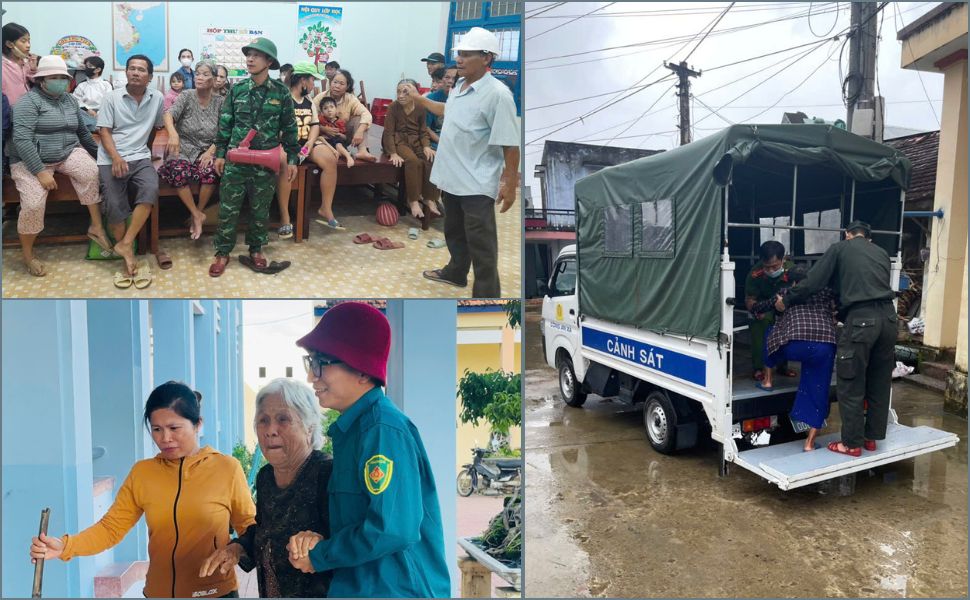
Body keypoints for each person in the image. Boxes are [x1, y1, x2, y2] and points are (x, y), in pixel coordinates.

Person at [29, 381, 256, 598]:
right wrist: (65, 546)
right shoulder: (143, 473)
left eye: (174, 428)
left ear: (198, 424)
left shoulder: (226, 469)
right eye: (156, 429)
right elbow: (110, 529)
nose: (165, 438)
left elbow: (250, 527)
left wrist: (237, 549)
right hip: (158, 593)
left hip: (214, 593)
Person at [286, 302, 451, 598]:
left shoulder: (382, 430)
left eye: (321, 362)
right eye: (311, 362)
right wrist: (314, 543)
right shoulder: (354, 431)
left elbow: (392, 529)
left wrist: (321, 555)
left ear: (362, 372)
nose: (312, 376)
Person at [410, 27, 519, 297]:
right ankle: (456, 272)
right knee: (455, 233)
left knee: (482, 244)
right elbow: (448, 111)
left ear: (486, 58)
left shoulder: (498, 95)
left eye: (467, 54)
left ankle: (486, 294)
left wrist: (510, 183)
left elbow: (510, 143)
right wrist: (418, 99)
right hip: (451, 177)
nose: (459, 59)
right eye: (459, 53)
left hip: (476, 183)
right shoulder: (458, 86)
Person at [200, 378, 333, 598]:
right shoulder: (266, 477)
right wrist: (238, 547)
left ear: (309, 427)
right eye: (263, 420)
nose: (271, 430)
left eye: (283, 419)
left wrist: (319, 543)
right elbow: (264, 531)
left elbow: (350, 540)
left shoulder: (327, 473)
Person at [776, 221, 897, 457]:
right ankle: (871, 438)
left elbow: (813, 281)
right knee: (879, 381)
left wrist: (787, 300)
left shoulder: (841, 248)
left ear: (847, 235)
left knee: (851, 382)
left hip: (862, 321)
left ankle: (851, 444)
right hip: (890, 320)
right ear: (869, 238)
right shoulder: (881, 252)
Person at [9, 55, 110, 277]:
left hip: (65, 152)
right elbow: (22, 140)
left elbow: (83, 133)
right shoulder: (27, 103)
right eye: (53, 77)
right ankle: (27, 254)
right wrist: (40, 172)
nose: (60, 82)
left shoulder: (70, 100)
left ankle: (96, 227)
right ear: (41, 80)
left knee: (91, 172)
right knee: (34, 203)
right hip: (30, 159)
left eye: (63, 78)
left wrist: (103, 158)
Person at [211, 37, 299, 277]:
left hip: (265, 160)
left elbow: (290, 128)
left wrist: (292, 159)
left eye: (257, 55)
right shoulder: (237, 90)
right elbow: (225, 124)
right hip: (236, 160)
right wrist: (220, 154)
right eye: (248, 54)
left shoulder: (281, 92)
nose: (250, 59)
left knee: (260, 209)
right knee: (228, 208)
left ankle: (256, 250)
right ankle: (222, 252)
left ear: (269, 61)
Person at [752, 265, 838, 451]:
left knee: (770, 335)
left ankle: (767, 380)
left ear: (792, 281)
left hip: (795, 345)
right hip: (824, 345)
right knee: (818, 390)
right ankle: (809, 443)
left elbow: (761, 306)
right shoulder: (826, 292)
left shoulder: (786, 292)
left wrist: (754, 309)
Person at [97, 54, 165, 284]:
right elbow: (104, 131)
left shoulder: (157, 97)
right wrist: (116, 157)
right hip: (111, 157)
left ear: (150, 76)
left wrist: (146, 150)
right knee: (115, 205)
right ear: (126, 72)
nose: (136, 73)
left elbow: (156, 127)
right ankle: (127, 253)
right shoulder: (111, 98)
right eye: (132, 69)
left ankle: (125, 244)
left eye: (141, 70)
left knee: (150, 188)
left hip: (140, 156)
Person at [160, 60, 224, 240]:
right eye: (198, 73)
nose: (200, 77)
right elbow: (168, 115)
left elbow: (224, 130)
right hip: (183, 146)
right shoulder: (186, 96)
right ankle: (196, 214)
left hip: (207, 148)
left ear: (213, 79)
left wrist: (211, 151)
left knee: (211, 171)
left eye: (205, 74)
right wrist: (173, 134)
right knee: (177, 170)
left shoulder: (220, 102)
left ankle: (199, 212)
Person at [276, 61, 340, 237]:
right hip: (287, 144)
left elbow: (315, 125)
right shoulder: (284, 99)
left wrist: (310, 144)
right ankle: (285, 217)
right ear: (303, 80)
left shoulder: (309, 102)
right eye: (313, 80)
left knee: (329, 159)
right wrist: (293, 151)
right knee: (284, 163)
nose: (314, 85)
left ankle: (325, 208)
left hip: (306, 143)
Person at [383, 79, 438, 220]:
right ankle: (413, 200)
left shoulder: (420, 107)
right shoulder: (393, 107)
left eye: (405, 92)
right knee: (413, 161)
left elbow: (423, 131)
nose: (400, 95)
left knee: (431, 159)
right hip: (398, 141)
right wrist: (393, 153)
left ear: (414, 93)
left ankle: (429, 198)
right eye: (398, 92)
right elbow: (389, 133)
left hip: (416, 141)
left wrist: (426, 146)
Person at [745, 240, 796, 382]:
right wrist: (756, 310)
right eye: (767, 267)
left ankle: (782, 366)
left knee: (786, 329)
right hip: (763, 307)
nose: (771, 271)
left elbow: (799, 292)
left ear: (783, 259)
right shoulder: (755, 274)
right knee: (760, 324)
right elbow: (750, 299)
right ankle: (758, 368)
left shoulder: (792, 270)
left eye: (775, 266)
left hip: (785, 306)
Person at [312, 69, 376, 162]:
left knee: (359, 119)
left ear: (347, 86)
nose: (337, 86)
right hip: (323, 137)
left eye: (341, 84)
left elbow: (367, 114)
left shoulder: (350, 99)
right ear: (331, 82)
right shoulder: (321, 97)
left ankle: (362, 151)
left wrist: (359, 131)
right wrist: (323, 128)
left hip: (343, 135)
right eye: (335, 82)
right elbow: (310, 117)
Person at [72, 55, 112, 132]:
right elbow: (75, 101)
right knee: (76, 113)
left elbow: (109, 102)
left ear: (98, 69)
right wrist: (87, 110)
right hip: (85, 112)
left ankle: (93, 127)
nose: (86, 68)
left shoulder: (106, 84)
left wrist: (98, 113)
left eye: (89, 66)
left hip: (101, 113)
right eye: (86, 66)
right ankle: (96, 128)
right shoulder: (81, 85)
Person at [2, 22, 35, 106]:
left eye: (29, 41)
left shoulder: (27, 62)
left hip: (29, 108)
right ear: (9, 44)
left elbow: (37, 83)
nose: (28, 45)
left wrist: (33, 69)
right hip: (9, 111)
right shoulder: (3, 66)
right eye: (23, 41)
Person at [425, 65, 456, 151]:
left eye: (454, 78)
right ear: (442, 79)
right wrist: (442, 142)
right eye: (447, 77)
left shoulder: (464, 99)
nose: (450, 81)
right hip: (436, 142)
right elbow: (426, 128)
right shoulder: (431, 99)